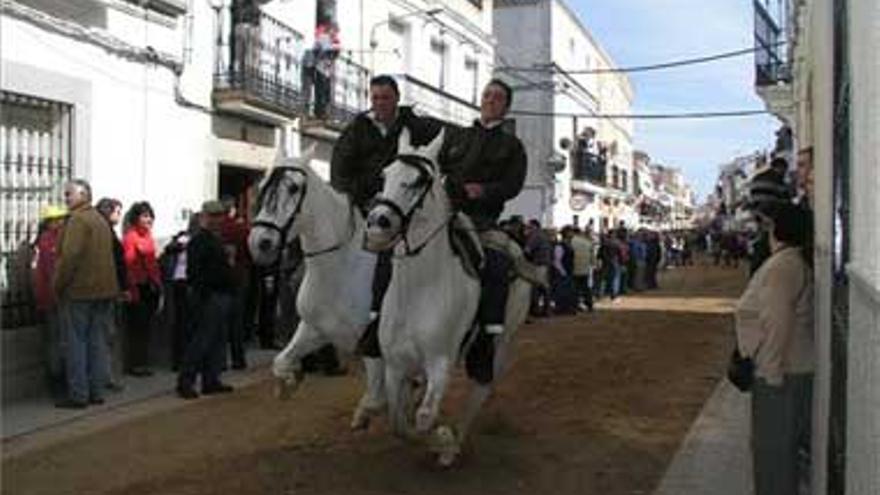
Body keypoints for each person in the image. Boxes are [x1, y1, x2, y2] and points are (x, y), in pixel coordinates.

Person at [330, 74, 443, 368]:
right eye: (375, 97)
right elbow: (339, 173)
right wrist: (360, 198)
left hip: (406, 212)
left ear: (396, 98)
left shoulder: (417, 125)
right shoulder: (356, 130)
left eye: (385, 97)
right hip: (365, 207)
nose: (379, 103)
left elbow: (450, 140)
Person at [437, 79, 528, 382]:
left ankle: (485, 342)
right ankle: (377, 321)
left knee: (497, 265)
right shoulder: (456, 136)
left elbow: (513, 185)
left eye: (497, 97)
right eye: (487, 95)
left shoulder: (512, 146)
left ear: (505, 106)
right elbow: (436, 168)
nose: (490, 100)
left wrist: (486, 191)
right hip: (444, 215)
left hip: (482, 221)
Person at [734, 203, 814, 495]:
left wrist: (770, 373)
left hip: (780, 372)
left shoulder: (782, 265)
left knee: (773, 456)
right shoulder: (788, 261)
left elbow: (776, 322)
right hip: (788, 367)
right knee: (778, 453)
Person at [53, 179, 119, 408]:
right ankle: (96, 391)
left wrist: (57, 286)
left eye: (69, 194)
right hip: (103, 291)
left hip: (80, 291)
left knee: (76, 344)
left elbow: (69, 257)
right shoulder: (99, 220)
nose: (66, 198)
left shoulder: (77, 220)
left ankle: (78, 394)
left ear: (83, 195)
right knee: (96, 343)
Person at [177, 201, 237, 399]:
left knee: (217, 340)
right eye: (213, 216)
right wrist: (205, 293)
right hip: (208, 296)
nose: (217, 219)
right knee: (202, 340)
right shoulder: (200, 240)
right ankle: (187, 381)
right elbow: (194, 273)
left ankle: (211, 379)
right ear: (204, 217)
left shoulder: (215, 239)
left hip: (220, 294)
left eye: (219, 215)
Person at [122, 202, 162, 377]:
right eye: (144, 216)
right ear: (135, 218)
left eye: (149, 216)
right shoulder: (131, 238)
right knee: (137, 328)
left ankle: (143, 362)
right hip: (138, 287)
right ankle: (136, 364)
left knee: (146, 327)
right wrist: (132, 289)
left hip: (150, 286)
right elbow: (128, 265)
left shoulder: (149, 237)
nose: (148, 219)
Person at [32, 204, 67, 399]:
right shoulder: (48, 243)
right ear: (50, 223)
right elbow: (51, 274)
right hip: (53, 300)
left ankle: (58, 380)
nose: (62, 222)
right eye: (58, 219)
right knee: (56, 343)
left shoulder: (48, 241)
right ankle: (57, 383)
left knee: (58, 342)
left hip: (53, 298)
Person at [95, 197, 127, 390]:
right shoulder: (105, 233)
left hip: (107, 289)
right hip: (106, 290)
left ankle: (105, 375)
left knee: (106, 335)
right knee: (105, 335)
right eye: (117, 212)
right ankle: (104, 376)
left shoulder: (107, 232)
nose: (119, 216)